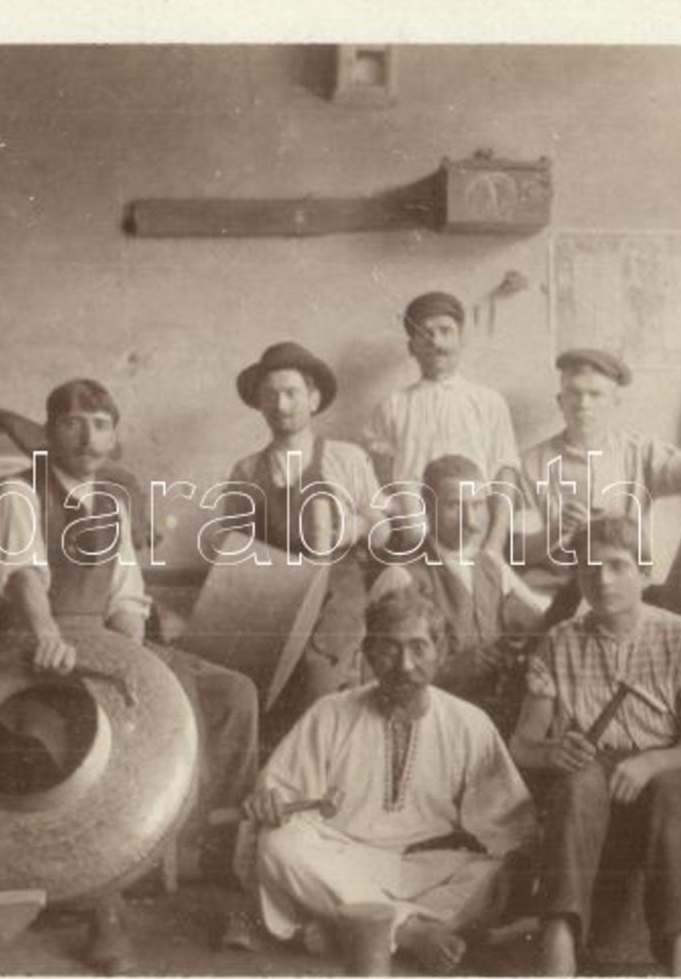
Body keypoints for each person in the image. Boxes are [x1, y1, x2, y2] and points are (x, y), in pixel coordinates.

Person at [0, 378, 261, 974]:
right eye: (73, 424)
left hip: (105, 639)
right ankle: (104, 902)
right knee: (98, 734)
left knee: (231, 694)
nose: (89, 437)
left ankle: (202, 847)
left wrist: (132, 659)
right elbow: (22, 578)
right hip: (38, 644)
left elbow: (127, 598)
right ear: (49, 431)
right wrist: (50, 638)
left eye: (102, 425)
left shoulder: (110, 502)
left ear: (115, 434)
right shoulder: (18, 494)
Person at [245, 586, 538, 974]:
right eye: (389, 648)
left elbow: (509, 826)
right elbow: (282, 794)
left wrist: (514, 864)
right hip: (343, 860)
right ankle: (412, 932)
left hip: (430, 867)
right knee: (279, 845)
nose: (404, 664)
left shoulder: (468, 723)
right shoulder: (331, 713)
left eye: (419, 648)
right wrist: (271, 804)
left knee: (494, 876)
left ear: (441, 653)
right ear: (368, 654)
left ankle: (352, 927)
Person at [509, 515, 681, 978]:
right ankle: (560, 941)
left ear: (646, 573)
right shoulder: (559, 642)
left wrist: (653, 762)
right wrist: (552, 752)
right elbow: (522, 745)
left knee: (672, 795)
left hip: (673, 762)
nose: (602, 578)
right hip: (594, 766)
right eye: (588, 566)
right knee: (575, 785)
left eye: (617, 565)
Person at [222, 341, 385, 734]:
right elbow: (234, 553)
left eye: (292, 393)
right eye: (271, 395)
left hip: (337, 588)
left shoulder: (347, 458)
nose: (281, 406)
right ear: (259, 403)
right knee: (254, 685)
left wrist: (349, 527)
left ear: (313, 399)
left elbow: (385, 528)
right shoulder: (246, 471)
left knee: (318, 673)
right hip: (274, 595)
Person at [517, 349, 681, 621]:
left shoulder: (639, 453)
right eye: (574, 393)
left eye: (596, 395)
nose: (583, 404)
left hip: (618, 588)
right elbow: (518, 552)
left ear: (615, 402)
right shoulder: (530, 464)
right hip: (552, 595)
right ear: (560, 400)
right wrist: (557, 529)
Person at [367, 454, 550, 735]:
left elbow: (543, 620)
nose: (471, 521)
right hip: (427, 722)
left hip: (494, 718)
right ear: (428, 508)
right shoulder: (401, 576)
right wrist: (449, 670)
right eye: (454, 506)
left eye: (477, 505)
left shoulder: (492, 567)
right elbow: (375, 678)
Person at [363, 290, 521, 554]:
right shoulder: (392, 406)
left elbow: (505, 475)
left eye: (446, 331)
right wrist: (407, 529)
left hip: (475, 536)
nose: (436, 342)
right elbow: (381, 480)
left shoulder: (489, 402)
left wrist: (495, 542)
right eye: (425, 333)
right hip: (415, 538)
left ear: (462, 340)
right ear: (411, 347)